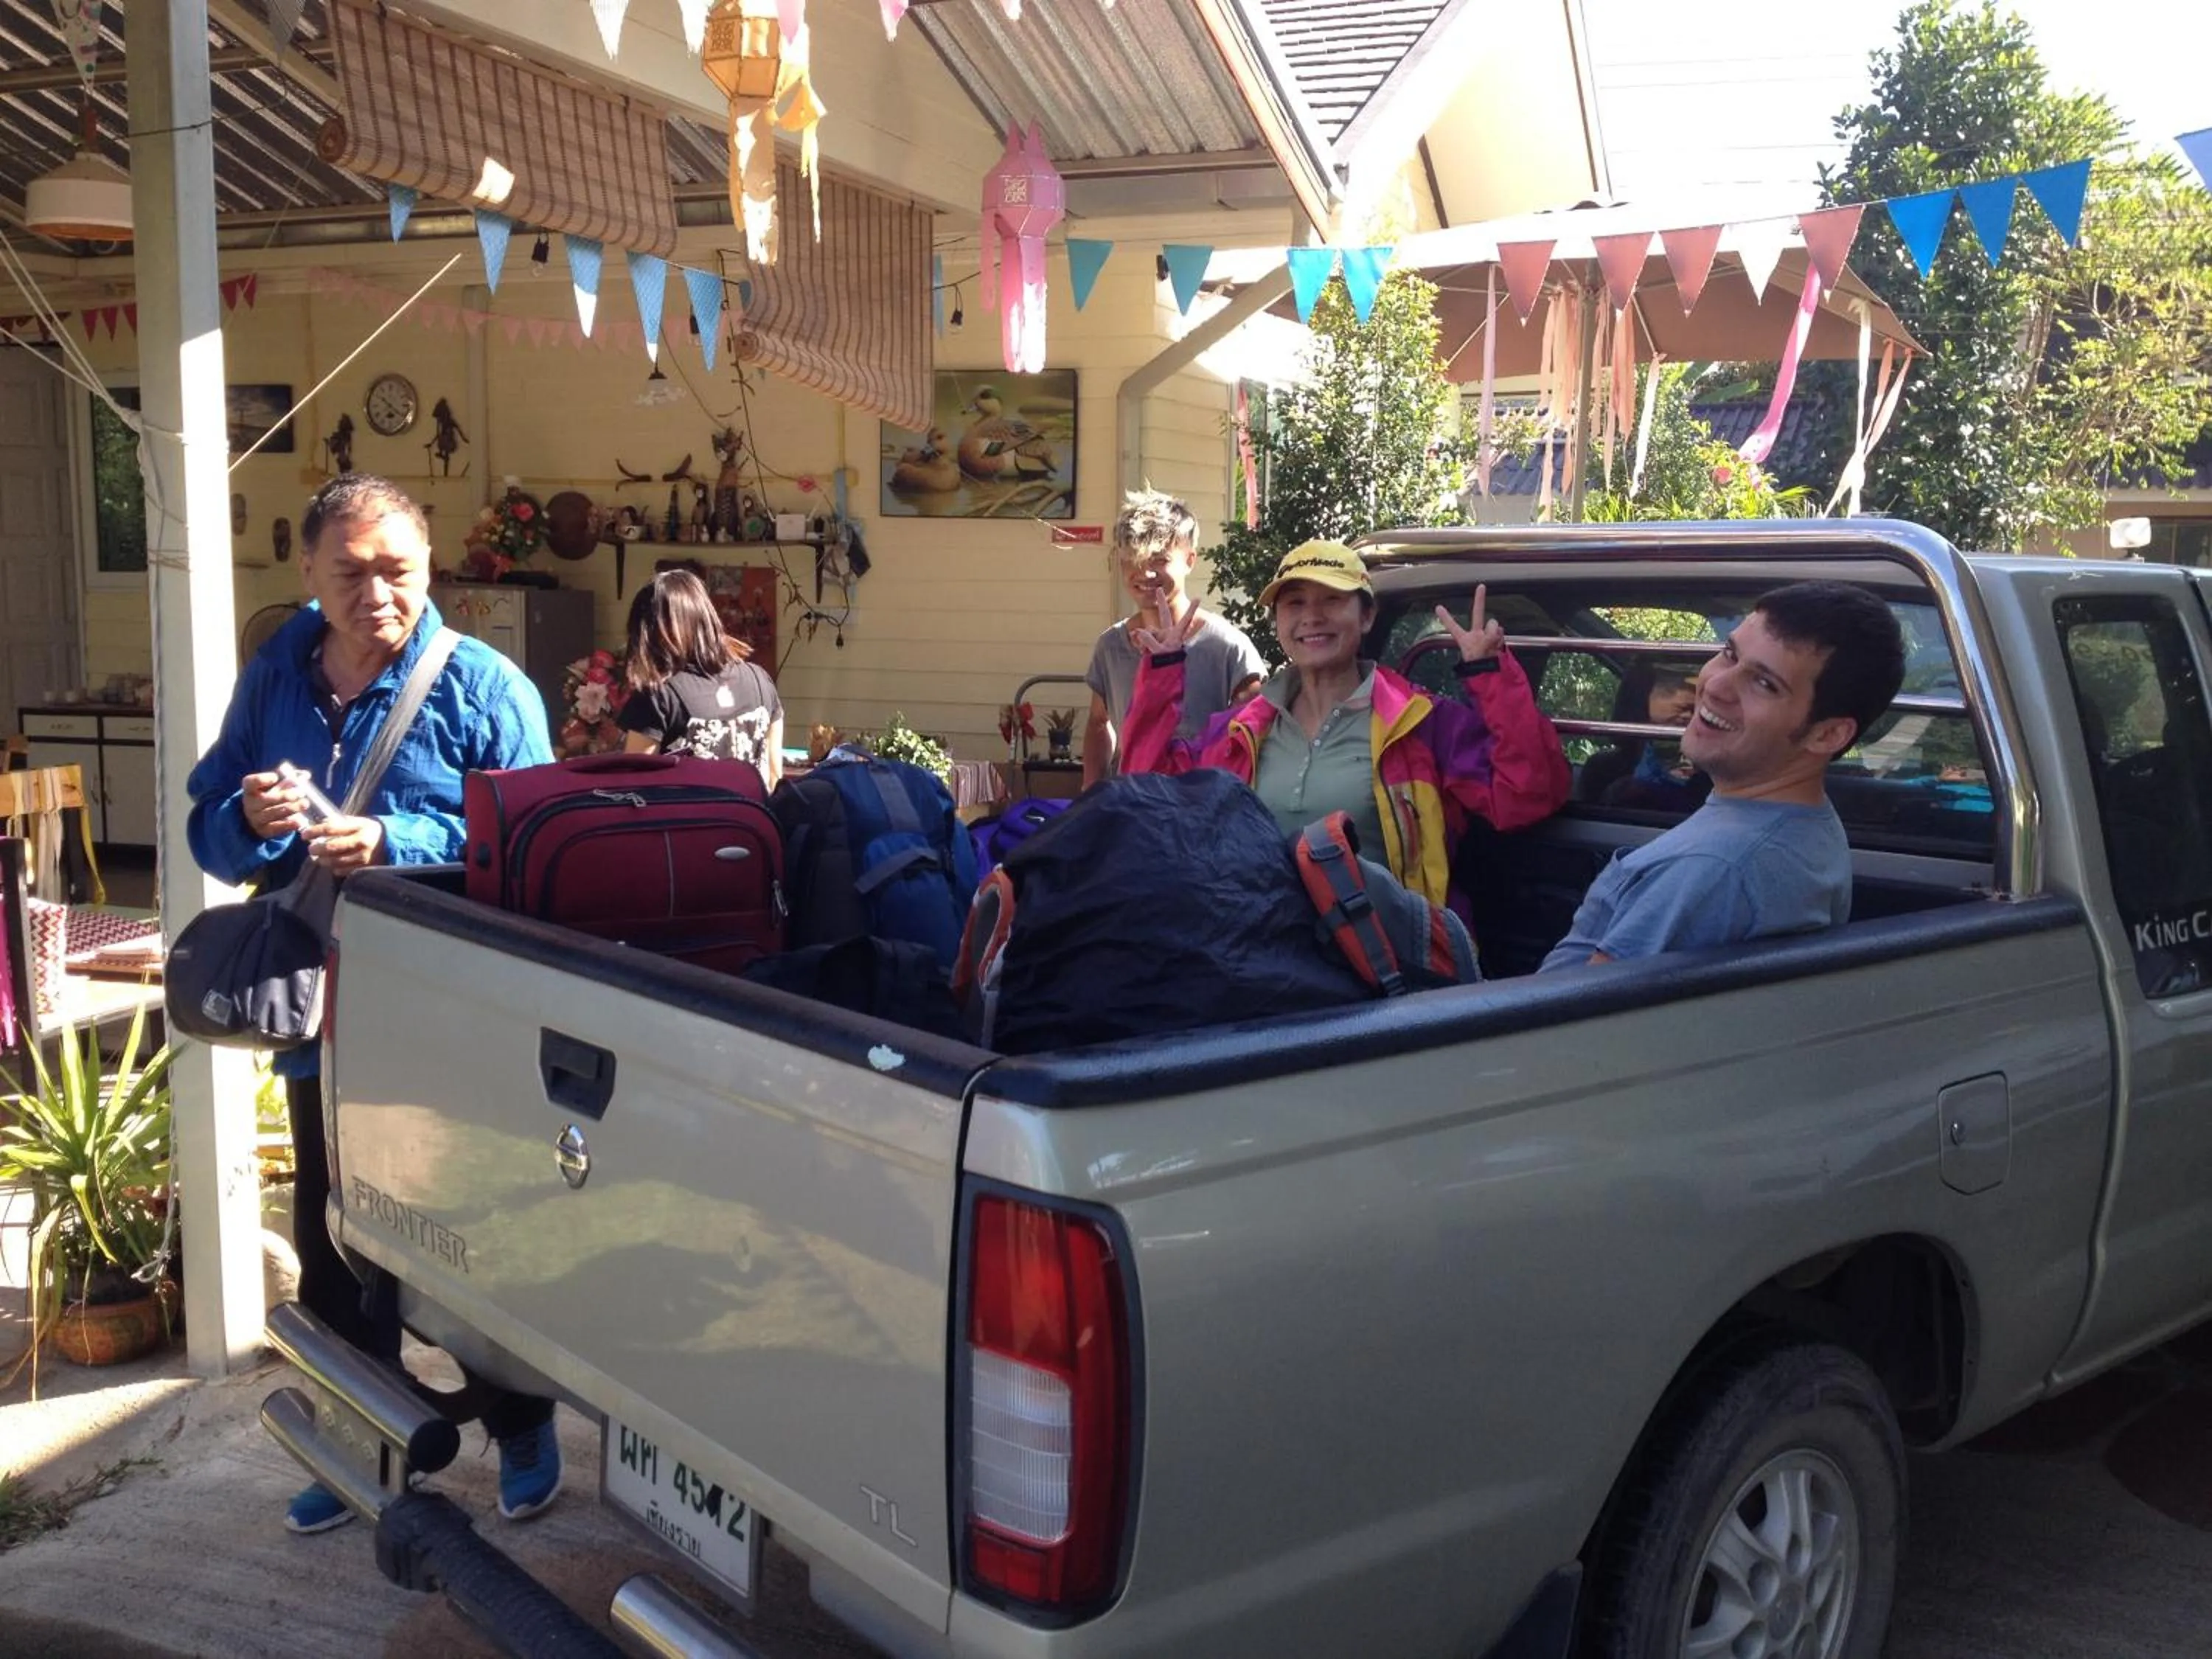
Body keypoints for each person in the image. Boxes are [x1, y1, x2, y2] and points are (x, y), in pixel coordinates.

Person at [185, 474, 563, 1537]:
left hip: (453, 1019)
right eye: (348, 571)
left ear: (428, 566)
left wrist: (399, 846)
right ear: (308, 572)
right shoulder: (275, 676)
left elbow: (535, 855)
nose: (374, 591)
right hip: (322, 1016)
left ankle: (520, 1423)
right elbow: (207, 828)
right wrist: (251, 819)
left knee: (478, 1233)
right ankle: (363, 1439)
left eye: (395, 568)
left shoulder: (486, 684)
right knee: (334, 1240)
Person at [1119, 540, 1572, 908]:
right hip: (1256, 956)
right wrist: (1163, 674)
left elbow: (1526, 797)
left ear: (1367, 616)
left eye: (1332, 600)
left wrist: (1489, 675)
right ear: (1277, 621)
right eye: (1294, 603)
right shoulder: (1241, 730)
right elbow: (1146, 794)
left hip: (1389, 967)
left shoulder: (1422, 723)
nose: (1311, 616)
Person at [1541, 581, 1907, 971]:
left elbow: (1579, 1023)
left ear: (1828, 734)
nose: (1714, 685)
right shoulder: (1802, 825)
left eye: (1764, 683)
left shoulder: (1715, 869)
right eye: (1730, 654)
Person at [1082, 490, 1266, 787]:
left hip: (1203, 807)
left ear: (1190, 560)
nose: (1143, 572)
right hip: (1132, 804)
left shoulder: (1229, 647)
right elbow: (1098, 722)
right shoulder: (1111, 647)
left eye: (1158, 559)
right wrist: (1089, 794)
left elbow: (1250, 742)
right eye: (1132, 559)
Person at [617, 568, 784, 786]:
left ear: (645, 634)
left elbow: (633, 788)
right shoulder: (761, 680)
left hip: (687, 820)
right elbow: (773, 778)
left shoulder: (658, 697)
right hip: (751, 817)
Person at [1574, 658, 1710, 812]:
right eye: (1684, 708)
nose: (1689, 716)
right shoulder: (1605, 770)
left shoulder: (1713, 772)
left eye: (1696, 709)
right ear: (1641, 701)